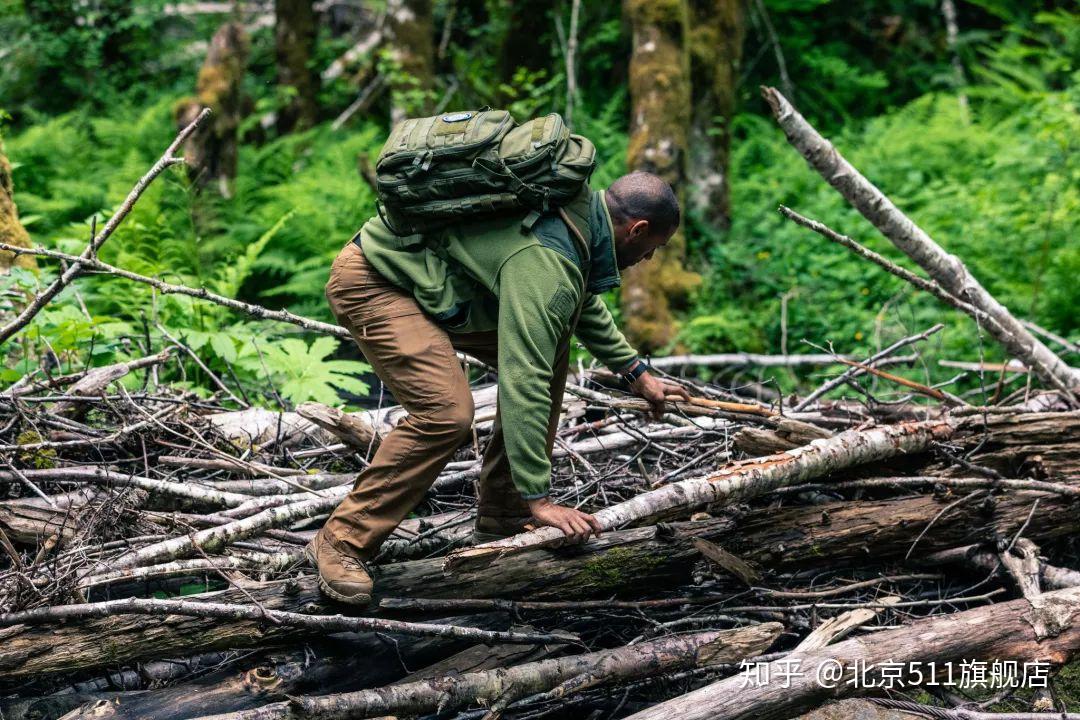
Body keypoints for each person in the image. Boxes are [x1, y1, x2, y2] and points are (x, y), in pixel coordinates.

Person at [308, 170, 690, 605]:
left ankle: (503, 518)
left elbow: (578, 301)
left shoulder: (581, 217)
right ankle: (342, 541)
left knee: (553, 344)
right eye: (653, 248)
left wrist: (634, 371)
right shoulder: (549, 260)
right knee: (447, 413)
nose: (648, 259)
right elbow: (524, 375)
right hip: (378, 280)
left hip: (437, 285)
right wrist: (542, 500)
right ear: (636, 229)